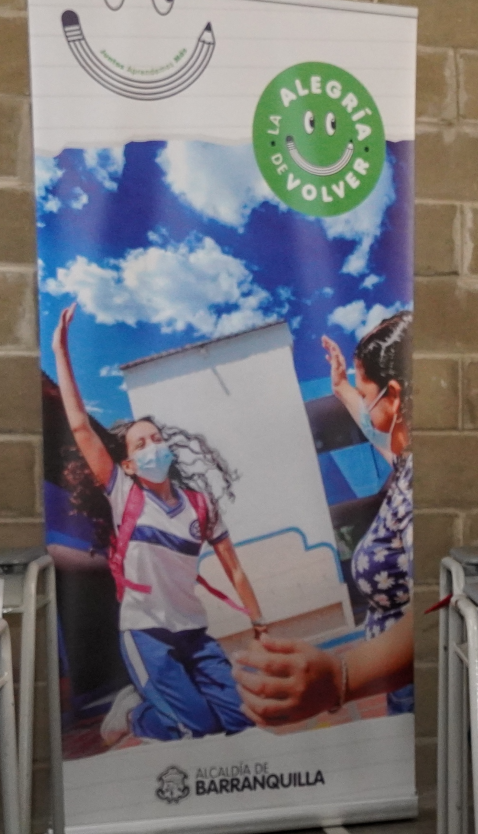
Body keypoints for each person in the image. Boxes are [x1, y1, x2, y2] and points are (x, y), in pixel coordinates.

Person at [52, 304, 268, 742]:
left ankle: (162, 707)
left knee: (243, 721)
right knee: (194, 730)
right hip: (146, 633)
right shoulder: (123, 494)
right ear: (128, 464)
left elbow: (236, 568)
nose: (153, 446)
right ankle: (135, 714)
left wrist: (259, 623)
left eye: (157, 438)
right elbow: (79, 427)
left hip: (194, 633)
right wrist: (60, 349)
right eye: (141, 443)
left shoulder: (200, 506)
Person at [233, 313, 418, 726]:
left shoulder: (419, 486)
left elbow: (432, 609)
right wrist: (341, 388)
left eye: (364, 386)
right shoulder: (410, 466)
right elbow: (378, 431)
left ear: (392, 394)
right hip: (404, 694)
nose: (362, 399)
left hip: (420, 699)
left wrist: (340, 676)